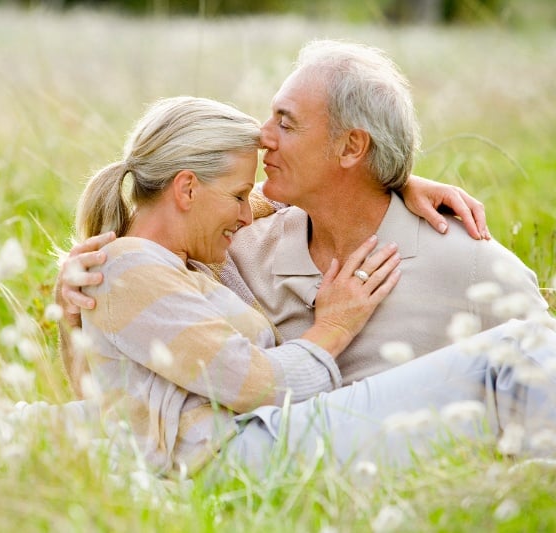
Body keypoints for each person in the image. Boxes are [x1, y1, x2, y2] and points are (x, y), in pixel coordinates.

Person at [61, 95, 556, 478]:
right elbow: (255, 386)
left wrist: (395, 181)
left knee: (509, 368)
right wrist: (335, 326)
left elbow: (280, 198)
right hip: (241, 456)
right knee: (518, 352)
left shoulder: (169, 258)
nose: (244, 212)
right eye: (236, 195)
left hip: (252, 447)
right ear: (187, 189)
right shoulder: (129, 267)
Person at [58, 39, 549, 386]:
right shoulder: (235, 245)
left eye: (286, 123)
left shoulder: (472, 267)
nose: (262, 135)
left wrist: (396, 180)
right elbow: (127, 385)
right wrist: (74, 309)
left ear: (352, 147)